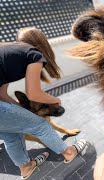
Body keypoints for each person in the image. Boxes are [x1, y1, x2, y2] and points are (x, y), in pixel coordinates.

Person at [0, 27, 87, 179]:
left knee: (11, 135)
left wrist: (19, 110)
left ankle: (26, 168)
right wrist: (55, 100)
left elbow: (1, 95)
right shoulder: (33, 54)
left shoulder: (8, 53)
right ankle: (69, 152)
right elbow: (34, 93)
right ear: (43, 44)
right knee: (40, 124)